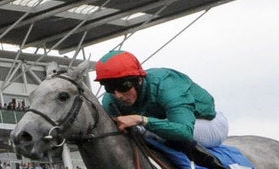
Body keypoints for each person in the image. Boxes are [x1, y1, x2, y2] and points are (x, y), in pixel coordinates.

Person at [94, 51, 230, 160]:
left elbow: (185, 132)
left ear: (139, 80)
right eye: (110, 88)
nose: (118, 95)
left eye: (124, 86)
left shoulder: (167, 85)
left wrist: (141, 120)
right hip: (168, 123)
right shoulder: (110, 100)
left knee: (145, 131)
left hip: (208, 123)